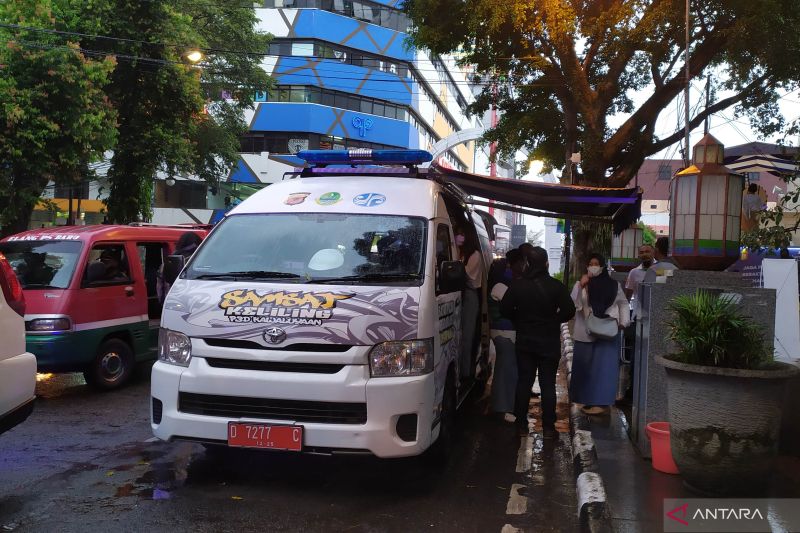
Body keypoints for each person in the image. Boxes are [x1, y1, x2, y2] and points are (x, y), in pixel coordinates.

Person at [501, 246, 575, 439]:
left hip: (525, 341)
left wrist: (520, 320)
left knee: (524, 382)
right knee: (547, 384)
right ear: (546, 263)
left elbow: (504, 309)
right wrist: (553, 320)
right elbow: (569, 311)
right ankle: (549, 428)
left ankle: (521, 424)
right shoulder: (556, 286)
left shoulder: (517, 285)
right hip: (549, 342)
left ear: (527, 264)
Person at [570, 253, 630, 415]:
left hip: (607, 331)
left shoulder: (613, 285)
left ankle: (601, 403)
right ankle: (586, 399)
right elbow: (573, 305)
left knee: (604, 369)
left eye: (596, 263)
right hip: (585, 331)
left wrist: (624, 323)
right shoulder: (580, 285)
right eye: (590, 263)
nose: (593, 266)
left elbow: (624, 303)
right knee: (584, 368)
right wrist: (581, 287)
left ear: (602, 267)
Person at [487, 248, 526, 422]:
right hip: (504, 330)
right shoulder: (503, 283)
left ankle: (505, 406)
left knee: (508, 369)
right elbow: (516, 306)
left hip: (508, 330)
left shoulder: (511, 280)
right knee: (506, 370)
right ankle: (502, 408)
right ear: (515, 263)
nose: (525, 266)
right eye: (522, 262)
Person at [457, 228, 482, 380]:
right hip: (462, 294)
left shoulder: (475, 255)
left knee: (467, 334)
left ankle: (466, 372)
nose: (459, 237)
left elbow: (465, 275)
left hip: (470, 295)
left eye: (462, 234)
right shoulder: (462, 253)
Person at [157, 232, 202, 304]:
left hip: (170, 304)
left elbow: (159, 289)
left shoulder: (167, 263)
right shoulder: (194, 263)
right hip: (188, 305)